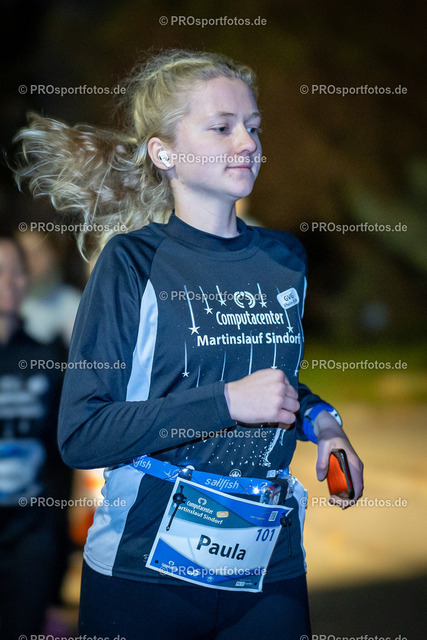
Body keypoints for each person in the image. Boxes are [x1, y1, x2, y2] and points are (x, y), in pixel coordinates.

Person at [13, 49, 364, 640]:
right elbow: (83, 433)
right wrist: (225, 403)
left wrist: (324, 424)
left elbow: (272, 386)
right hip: (144, 573)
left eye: (253, 127)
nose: (247, 143)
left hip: (267, 568)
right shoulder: (132, 262)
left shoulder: (284, 258)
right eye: (222, 128)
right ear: (164, 152)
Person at [0, 233, 71, 639]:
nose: (12, 282)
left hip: (31, 533)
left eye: (18, 272)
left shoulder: (46, 358)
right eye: (1, 272)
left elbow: (62, 458)